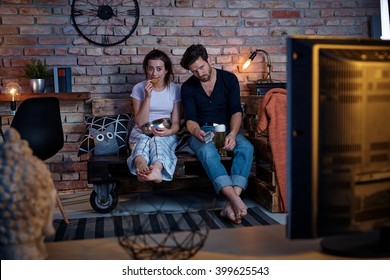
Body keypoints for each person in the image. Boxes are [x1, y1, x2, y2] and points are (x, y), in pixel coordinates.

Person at [180, 44, 254, 224]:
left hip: (227, 129)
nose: (199, 73)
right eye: (194, 71)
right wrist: (197, 132)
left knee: (246, 147)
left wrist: (234, 134)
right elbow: (190, 119)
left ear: (208, 60)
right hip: (202, 131)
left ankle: (230, 204)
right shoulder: (188, 87)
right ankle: (236, 200)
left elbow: (236, 111)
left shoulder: (229, 79)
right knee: (207, 151)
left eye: (201, 67)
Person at [127, 49, 181, 183]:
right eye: (150, 69)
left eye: (159, 69)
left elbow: (175, 123)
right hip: (141, 131)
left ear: (166, 70)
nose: (154, 73)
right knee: (144, 140)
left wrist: (168, 131)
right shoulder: (139, 88)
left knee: (157, 140)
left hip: (165, 131)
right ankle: (141, 167)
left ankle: (156, 170)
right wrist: (147, 97)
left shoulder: (174, 89)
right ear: (146, 69)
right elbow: (140, 123)